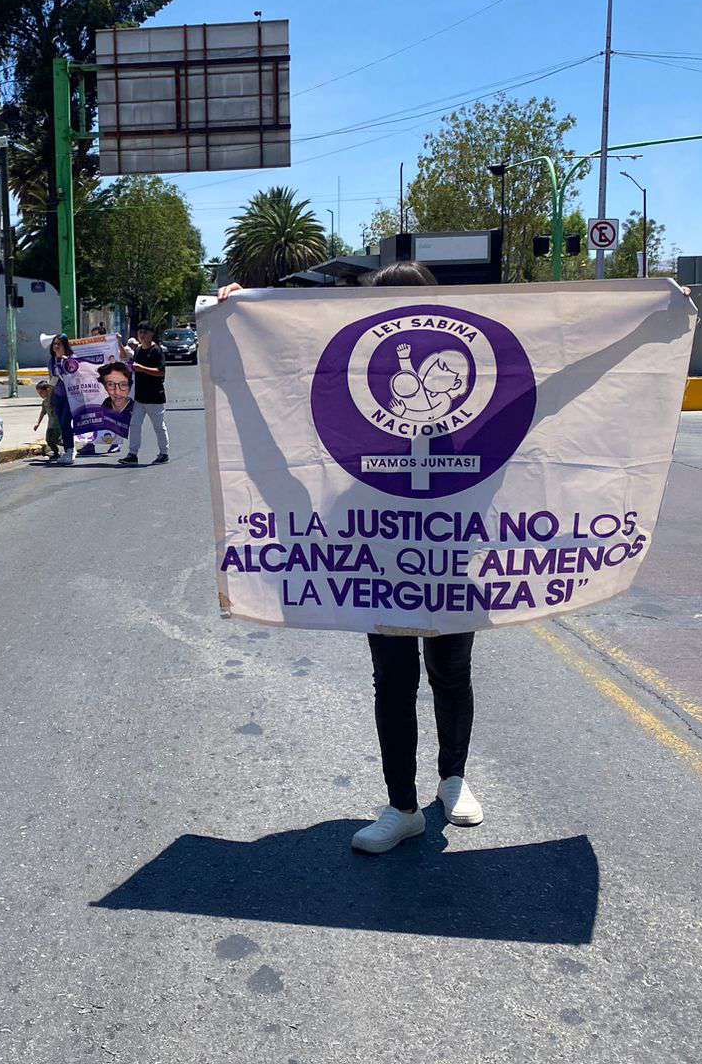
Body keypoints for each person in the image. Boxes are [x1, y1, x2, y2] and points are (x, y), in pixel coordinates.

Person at [217, 263, 483, 855]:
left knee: (451, 672)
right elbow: (282, 387)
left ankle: (453, 779)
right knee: (393, 679)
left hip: (450, 557)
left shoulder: (475, 386)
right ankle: (402, 806)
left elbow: (556, 387)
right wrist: (243, 318)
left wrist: (649, 318)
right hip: (375, 556)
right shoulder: (348, 388)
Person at [120, 322, 169, 466]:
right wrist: (117, 342)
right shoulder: (139, 350)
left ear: (151, 334)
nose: (142, 335)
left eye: (145, 332)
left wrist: (142, 368)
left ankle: (164, 453)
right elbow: (126, 359)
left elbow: (161, 371)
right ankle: (132, 454)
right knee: (134, 425)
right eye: (140, 332)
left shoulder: (156, 351)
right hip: (139, 397)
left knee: (158, 426)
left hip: (154, 396)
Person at [46, 333, 77, 465]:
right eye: (54, 344)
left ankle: (70, 450)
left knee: (65, 422)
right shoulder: (52, 361)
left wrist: (67, 362)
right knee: (62, 424)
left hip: (70, 397)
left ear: (65, 345)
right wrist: (49, 396)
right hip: (58, 396)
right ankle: (68, 449)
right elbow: (52, 378)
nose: (56, 346)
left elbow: (77, 375)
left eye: (59, 344)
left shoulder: (71, 359)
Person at [32, 377, 60, 459]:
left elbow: (52, 386)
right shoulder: (44, 402)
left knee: (57, 440)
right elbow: (42, 413)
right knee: (49, 440)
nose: (40, 395)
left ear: (47, 390)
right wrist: (37, 423)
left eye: (41, 392)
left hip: (58, 424)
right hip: (50, 425)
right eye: (38, 393)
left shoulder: (53, 399)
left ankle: (69, 447)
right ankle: (56, 452)